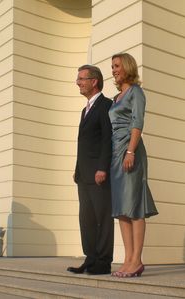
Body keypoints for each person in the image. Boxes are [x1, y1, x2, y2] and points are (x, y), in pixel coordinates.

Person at [109, 53, 158, 278]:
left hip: (131, 151)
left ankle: (137, 259)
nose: (114, 70)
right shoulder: (116, 97)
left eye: (117, 66)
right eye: (112, 67)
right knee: (122, 209)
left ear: (127, 66)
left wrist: (130, 150)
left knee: (134, 205)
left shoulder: (136, 92)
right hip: (115, 154)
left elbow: (137, 122)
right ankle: (128, 259)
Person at [67, 65, 114, 275]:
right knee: (85, 217)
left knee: (102, 217)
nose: (78, 82)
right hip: (83, 175)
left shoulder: (106, 105)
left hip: (98, 174)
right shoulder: (84, 109)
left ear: (94, 81)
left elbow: (107, 139)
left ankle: (103, 261)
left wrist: (102, 168)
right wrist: (77, 169)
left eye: (81, 79)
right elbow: (83, 143)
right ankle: (91, 258)